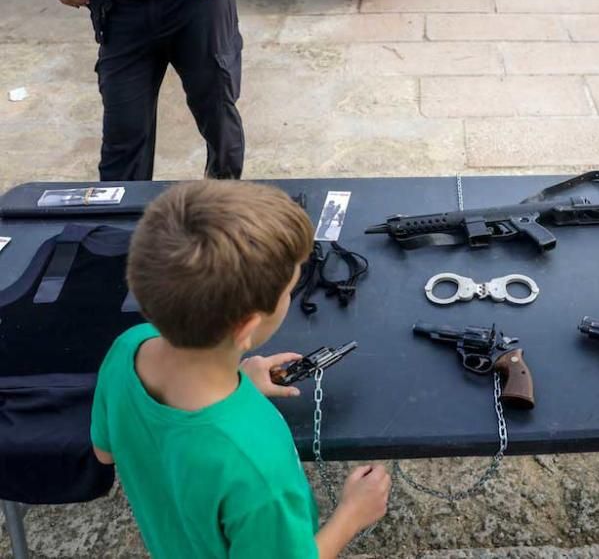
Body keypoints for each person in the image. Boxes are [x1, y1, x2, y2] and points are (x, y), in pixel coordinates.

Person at [90, 181, 390, 558]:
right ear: (247, 327)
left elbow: (105, 452)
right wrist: (352, 514)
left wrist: (238, 384)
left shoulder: (128, 348)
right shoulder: (254, 460)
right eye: (290, 290)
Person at [42, 0, 284, 180]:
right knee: (122, 141)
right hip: (121, 6)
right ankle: (123, 223)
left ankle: (220, 216)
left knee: (219, 123)